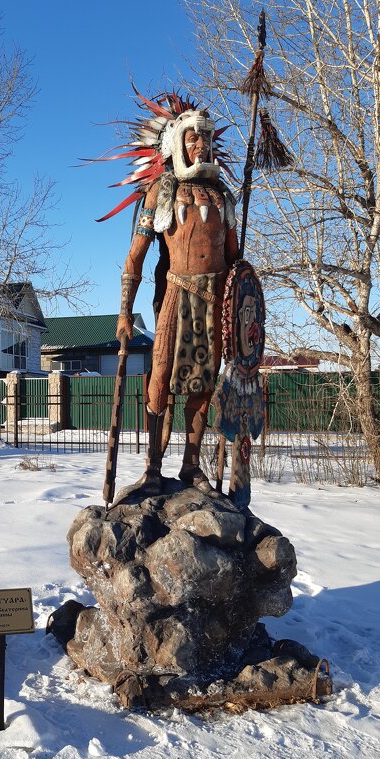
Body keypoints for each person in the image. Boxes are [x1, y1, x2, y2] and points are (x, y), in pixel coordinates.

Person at [108, 94, 242, 493]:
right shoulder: (162, 191)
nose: (201, 145)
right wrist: (124, 313)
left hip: (213, 300)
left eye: (206, 137)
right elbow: (134, 257)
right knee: (161, 377)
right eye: (192, 137)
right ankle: (152, 466)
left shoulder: (223, 197)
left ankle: (191, 466)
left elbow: (235, 262)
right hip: (176, 294)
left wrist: (241, 307)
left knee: (204, 383)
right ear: (176, 143)